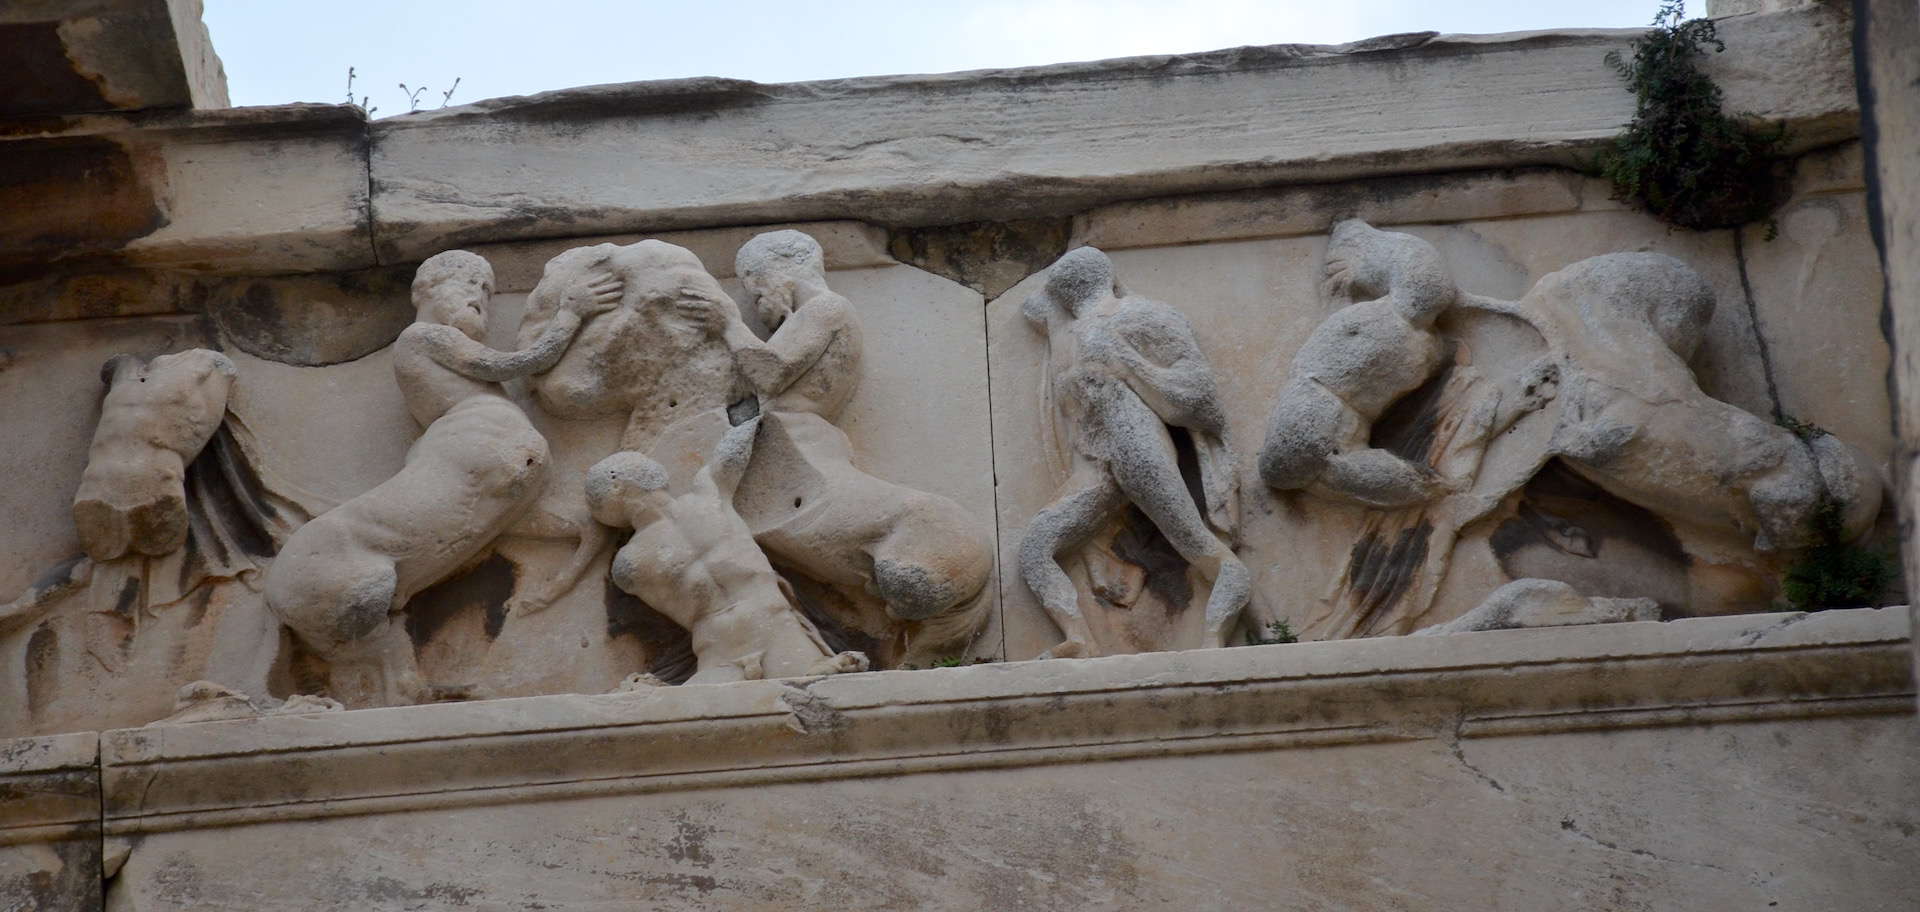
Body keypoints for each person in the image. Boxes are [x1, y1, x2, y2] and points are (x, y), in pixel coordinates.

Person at [264, 250, 620, 707]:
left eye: (487, 293)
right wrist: (572, 313)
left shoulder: (464, 391)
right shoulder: (421, 337)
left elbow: (486, 515)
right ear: (424, 292)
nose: (478, 300)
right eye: (465, 284)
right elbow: (513, 364)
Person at [1018, 246, 1249, 654]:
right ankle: (1078, 639)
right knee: (1036, 549)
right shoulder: (1064, 329)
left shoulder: (1141, 315)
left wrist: (1126, 363)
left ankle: (1214, 638)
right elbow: (1031, 307)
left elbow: (1200, 397)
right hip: (1095, 462)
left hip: (1138, 450)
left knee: (1202, 550)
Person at [585, 418, 867, 684]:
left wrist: (756, 415)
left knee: (821, 687)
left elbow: (732, 451)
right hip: (725, 654)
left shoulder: (702, 497)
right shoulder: (633, 560)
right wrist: (750, 419)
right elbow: (730, 454)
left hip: (772, 639)